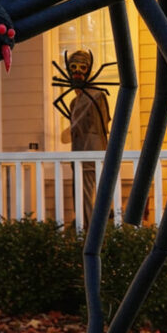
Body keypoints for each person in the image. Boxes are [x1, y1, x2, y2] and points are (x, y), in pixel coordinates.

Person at [61, 49, 111, 227]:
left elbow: (102, 127)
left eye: (82, 67)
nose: (77, 72)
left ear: (89, 70)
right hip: (77, 152)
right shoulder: (74, 102)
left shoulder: (97, 95)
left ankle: (92, 229)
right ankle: (84, 226)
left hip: (92, 152)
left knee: (90, 191)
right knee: (80, 192)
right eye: (73, 67)